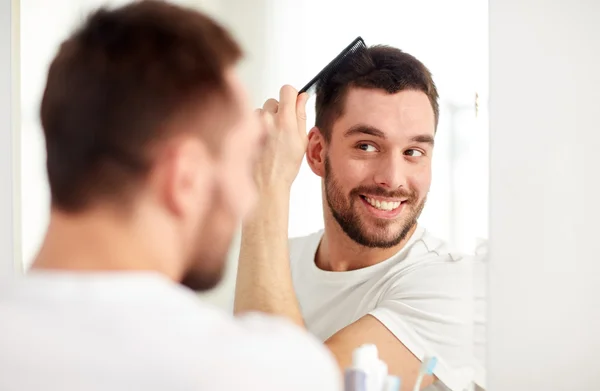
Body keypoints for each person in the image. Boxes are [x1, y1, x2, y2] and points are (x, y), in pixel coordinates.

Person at [0, 2, 341, 391]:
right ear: (185, 179)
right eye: (246, 161)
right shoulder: (262, 371)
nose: (245, 197)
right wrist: (272, 186)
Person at [235, 45, 479, 391]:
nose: (392, 178)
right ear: (318, 153)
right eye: (367, 146)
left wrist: (266, 188)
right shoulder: (274, 260)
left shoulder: (456, 288)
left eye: (413, 152)